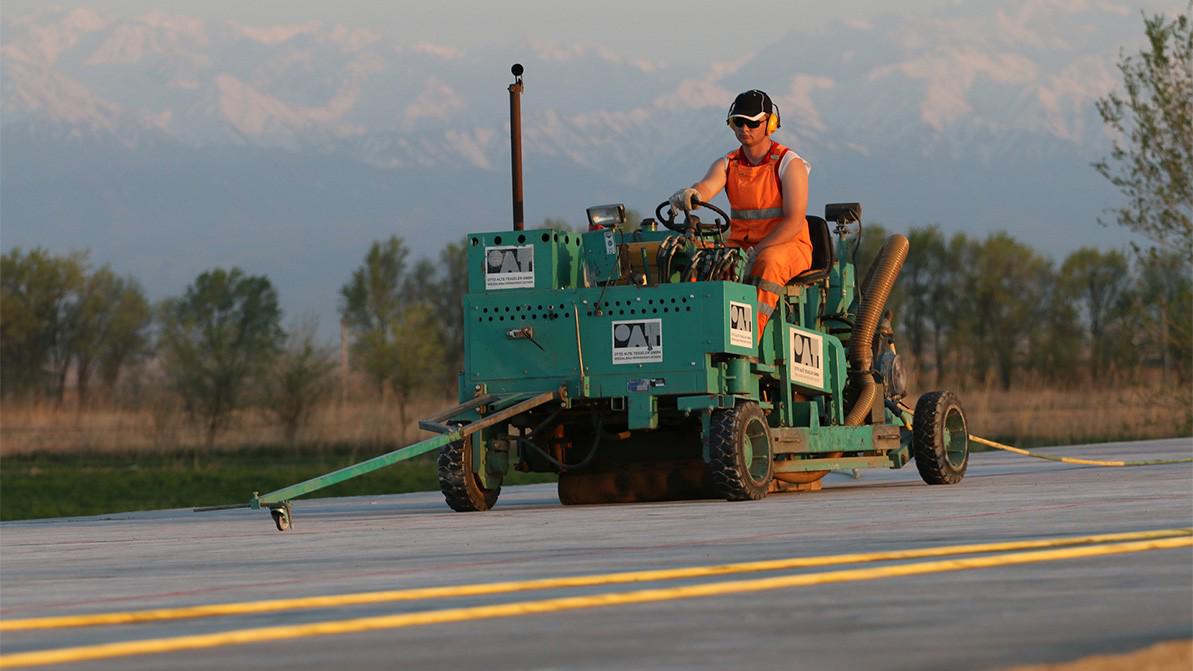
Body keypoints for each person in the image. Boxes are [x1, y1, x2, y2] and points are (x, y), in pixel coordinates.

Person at [669, 89, 812, 339]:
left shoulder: (789, 164)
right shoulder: (728, 163)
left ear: (770, 123)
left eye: (752, 122)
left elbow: (794, 220)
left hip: (789, 245)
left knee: (768, 263)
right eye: (738, 122)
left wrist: (758, 250)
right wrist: (692, 194)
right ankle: (695, 336)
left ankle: (748, 340)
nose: (744, 128)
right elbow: (708, 186)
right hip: (743, 245)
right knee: (701, 263)